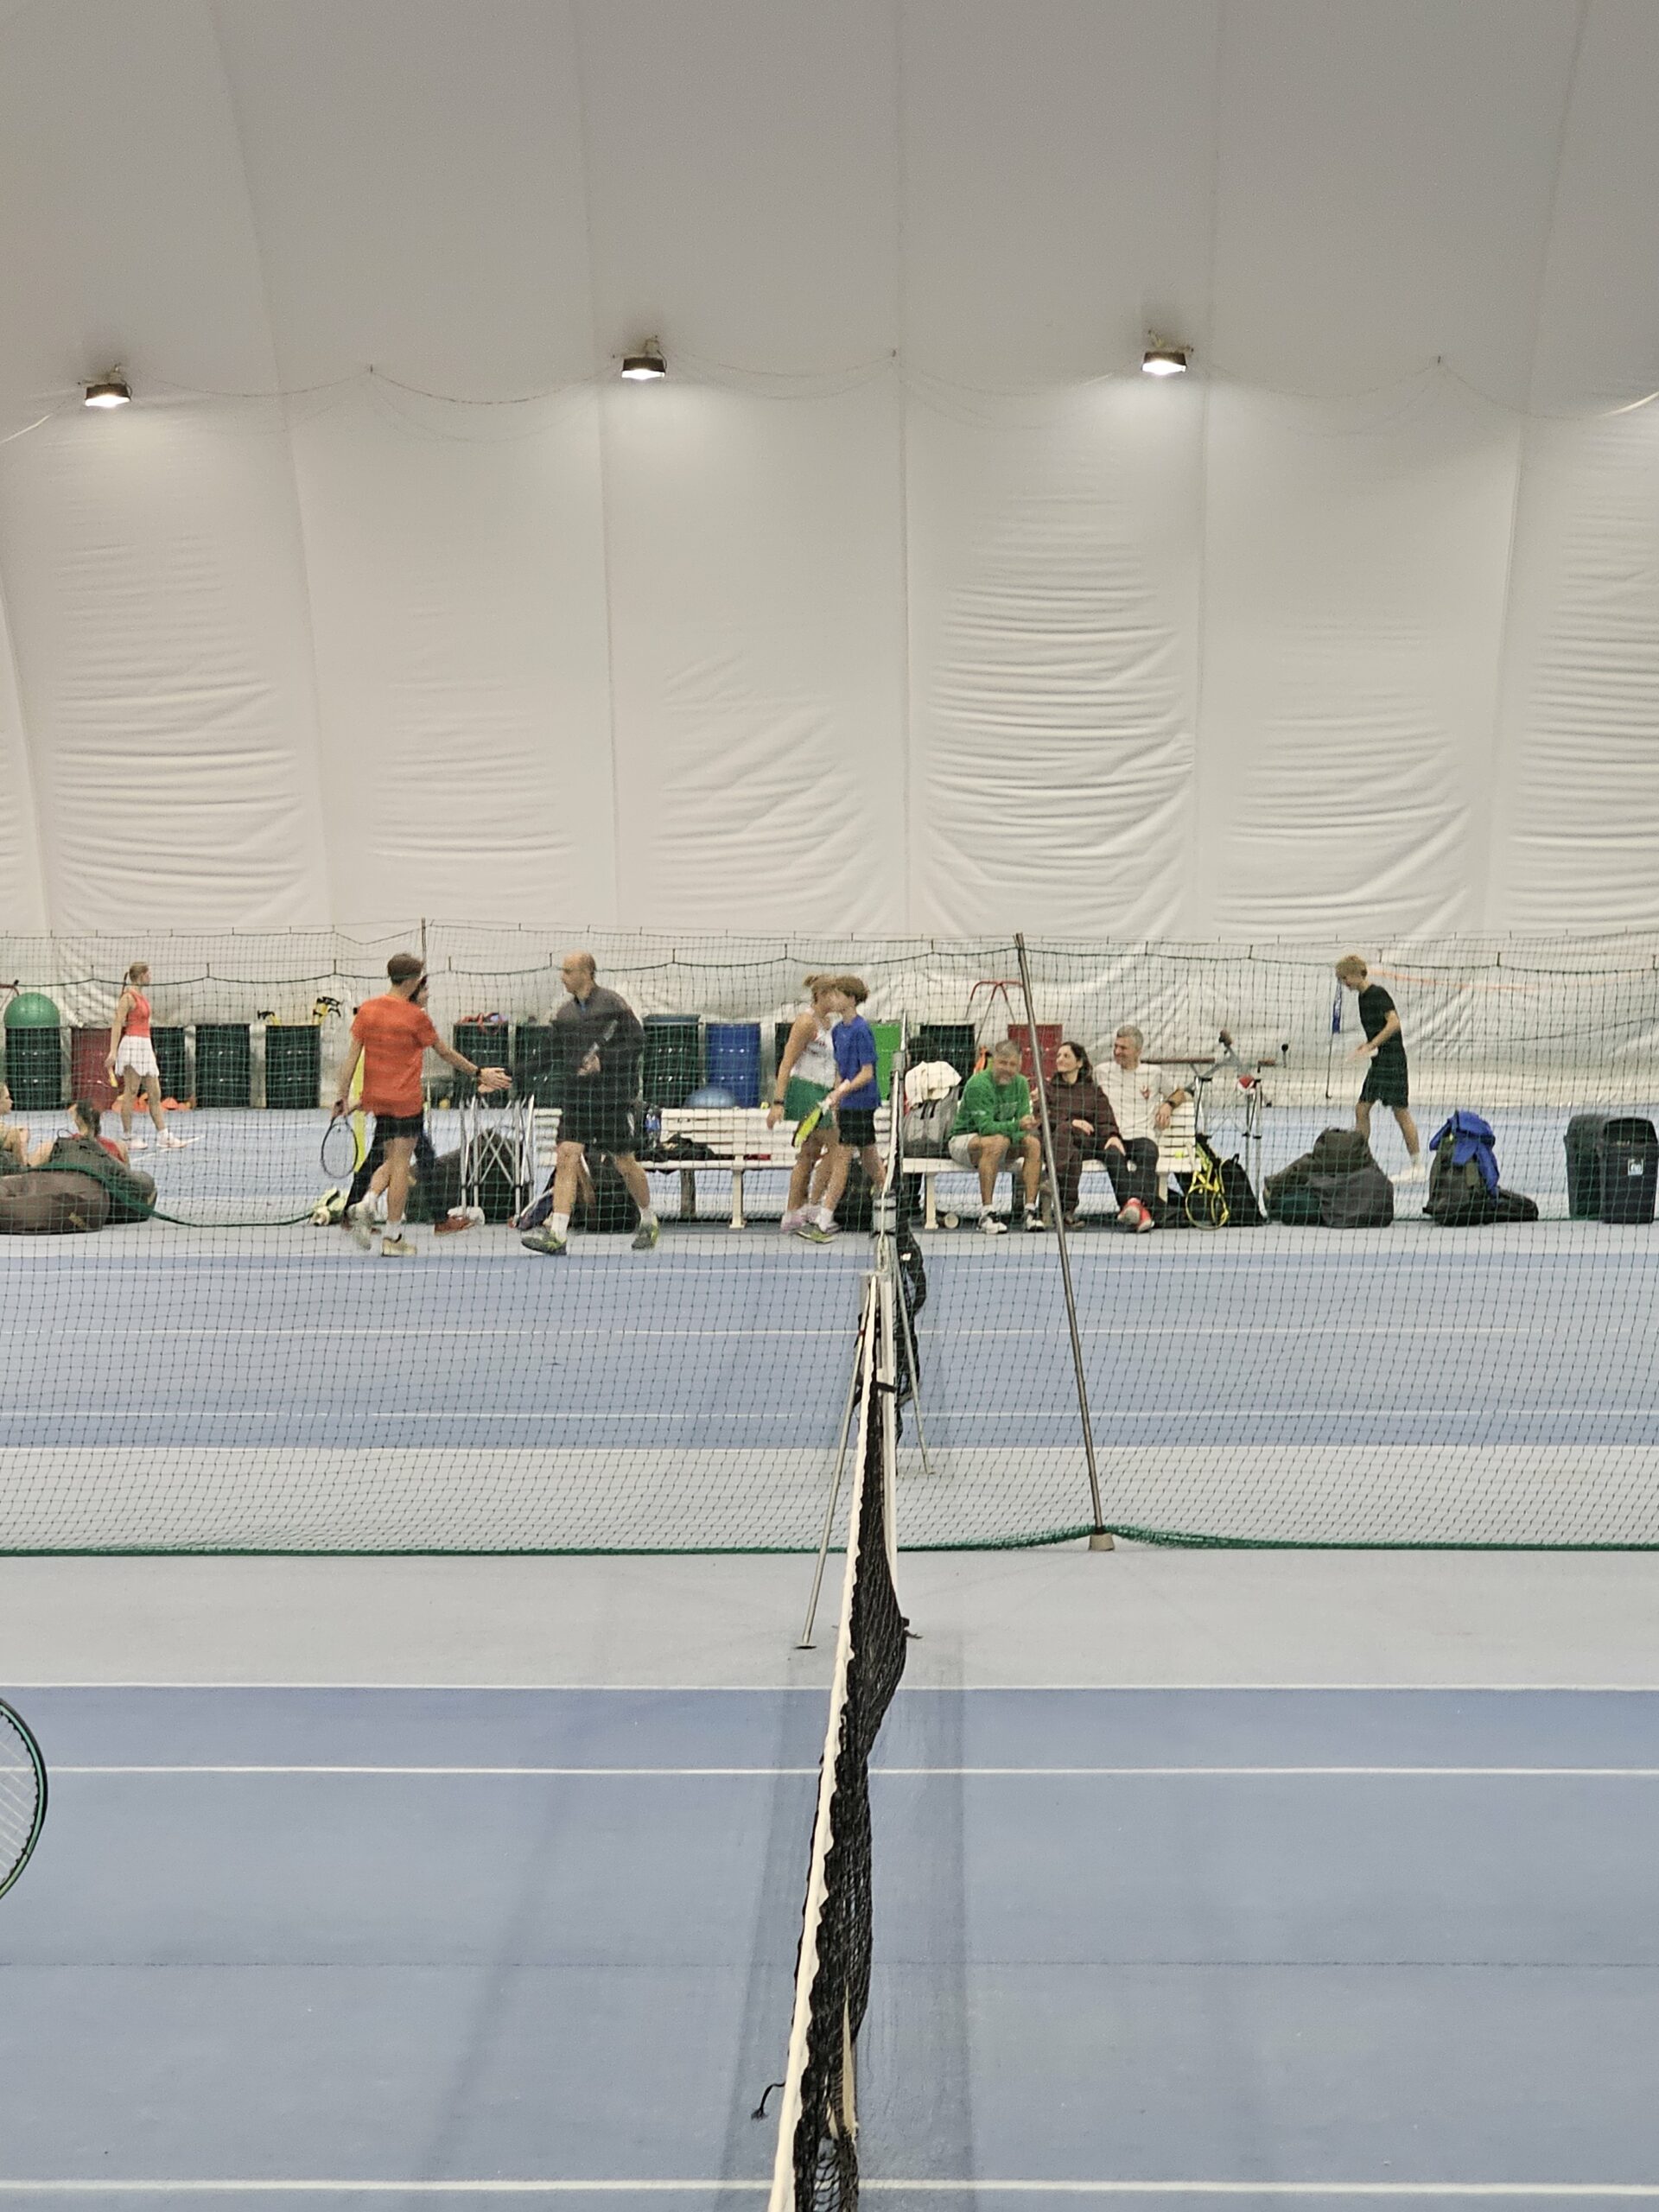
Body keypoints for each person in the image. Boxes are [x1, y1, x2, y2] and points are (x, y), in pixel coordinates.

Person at [332, 954, 509, 1257]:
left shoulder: (368, 1010)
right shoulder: (416, 1018)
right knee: (400, 1166)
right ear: (413, 981)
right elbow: (446, 1053)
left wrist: (342, 1095)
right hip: (405, 1101)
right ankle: (392, 1236)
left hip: (378, 1100)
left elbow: (352, 1057)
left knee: (389, 1159)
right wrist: (479, 1072)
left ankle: (367, 1202)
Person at [522, 951, 660, 1256]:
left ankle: (648, 1219)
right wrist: (508, 1075)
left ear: (586, 973)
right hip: (576, 1099)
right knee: (567, 1155)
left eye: (568, 971)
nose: (562, 977)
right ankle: (557, 1234)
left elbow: (637, 1043)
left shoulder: (614, 1005)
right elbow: (546, 1055)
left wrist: (604, 1062)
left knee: (624, 1162)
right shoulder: (564, 1015)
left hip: (611, 1099)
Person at [797, 977, 886, 1245]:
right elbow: (839, 1069)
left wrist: (843, 1091)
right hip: (846, 1104)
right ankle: (891, 1202)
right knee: (870, 1156)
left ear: (851, 999)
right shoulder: (837, 1031)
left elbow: (867, 1073)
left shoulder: (861, 1030)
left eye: (838, 995)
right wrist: (835, 1095)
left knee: (842, 1158)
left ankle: (824, 1221)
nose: (833, 999)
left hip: (862, 1103)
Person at [1336, 955, 1423, 1180]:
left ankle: (1418, 1167)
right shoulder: (1362, 998)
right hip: (1379, 1062)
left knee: (1400, 1111)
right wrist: (1366, 1046)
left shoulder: (1378, 994)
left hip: (1392, 1061)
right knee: (1361, 1109)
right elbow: (1377, 1031)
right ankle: (1360, 1162)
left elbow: (1394, 1023)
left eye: (1345, 978)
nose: (1344, 983)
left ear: (1356, 973)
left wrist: (1372, 1044)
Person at [1096, 1025, 1188, 1231]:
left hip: (1141, 1136)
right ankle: (1143, 1209)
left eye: (1123, 1048)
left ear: (1138, 1051)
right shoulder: (1101, 1071)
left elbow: (1180, 1093)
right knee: (1112, 1155)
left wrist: (1168, 1104)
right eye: (1116, 1046)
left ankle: (1134, 1208)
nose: (1117, 1052)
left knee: (1149, 1152)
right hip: (1113, 1136)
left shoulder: (1153, 1073)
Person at [768, 974, 841, 1235]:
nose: (837, 999)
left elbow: (831, 1063)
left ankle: (792, 1212)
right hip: (805, 1090)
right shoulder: (805, 1022)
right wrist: (778, 1102)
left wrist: (835, 1092)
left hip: (823, 1091)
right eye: (833, 994)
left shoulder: (831, 1023)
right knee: (839, 1146)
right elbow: (787, 1062)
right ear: (820, 995)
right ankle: (812, 1205)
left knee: (808, 1153)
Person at [948, 1036, 1042, 1234]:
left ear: (1019, 1065)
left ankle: (1030, 1211)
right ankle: (987, 1214)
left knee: (1032, 1144)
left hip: (1002, 1140)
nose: (1007, 1068)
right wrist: (1017, 1126)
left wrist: (1027, 1125)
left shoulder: (1021, 1084)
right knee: (997, 1141)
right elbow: (985, 1127)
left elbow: (1023, 1125)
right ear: (994, 1061)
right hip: (965, 1141)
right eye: (1002, 1063)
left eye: (1012, 1065)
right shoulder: (979, 1084)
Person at [106, 963, 192, 1151]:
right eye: (148, 973)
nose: (150, 976)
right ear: (141, 976)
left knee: (155, 1093)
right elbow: (117, 1023)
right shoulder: (128, 998)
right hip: (132, 1045)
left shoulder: (142, 997)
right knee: (131, 1092)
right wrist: (113, 1052)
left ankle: (163, 1136)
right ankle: (127, 1137)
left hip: (145, 1045)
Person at [1044, 1040, 1125, 1227]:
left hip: (1088, 1141)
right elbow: (1044, 1115)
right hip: (1059, 1143)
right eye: (1058, 1056)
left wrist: (1112, 1135)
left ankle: (1053, 1178)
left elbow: (1105, 1117)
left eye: (1066, 1056)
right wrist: (1071, 1122)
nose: (1060, 1059)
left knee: (1066, 1135)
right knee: (1071, 1152)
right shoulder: (1049, 1089)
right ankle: (1067, 1212)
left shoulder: (1092, 1092)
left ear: (1079, 1063)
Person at [29, 1098, 128, 1169]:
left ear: (77, 1119)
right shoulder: (118, 1148)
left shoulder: (54, 1148)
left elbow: (28, 1170)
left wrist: (23, 1143)